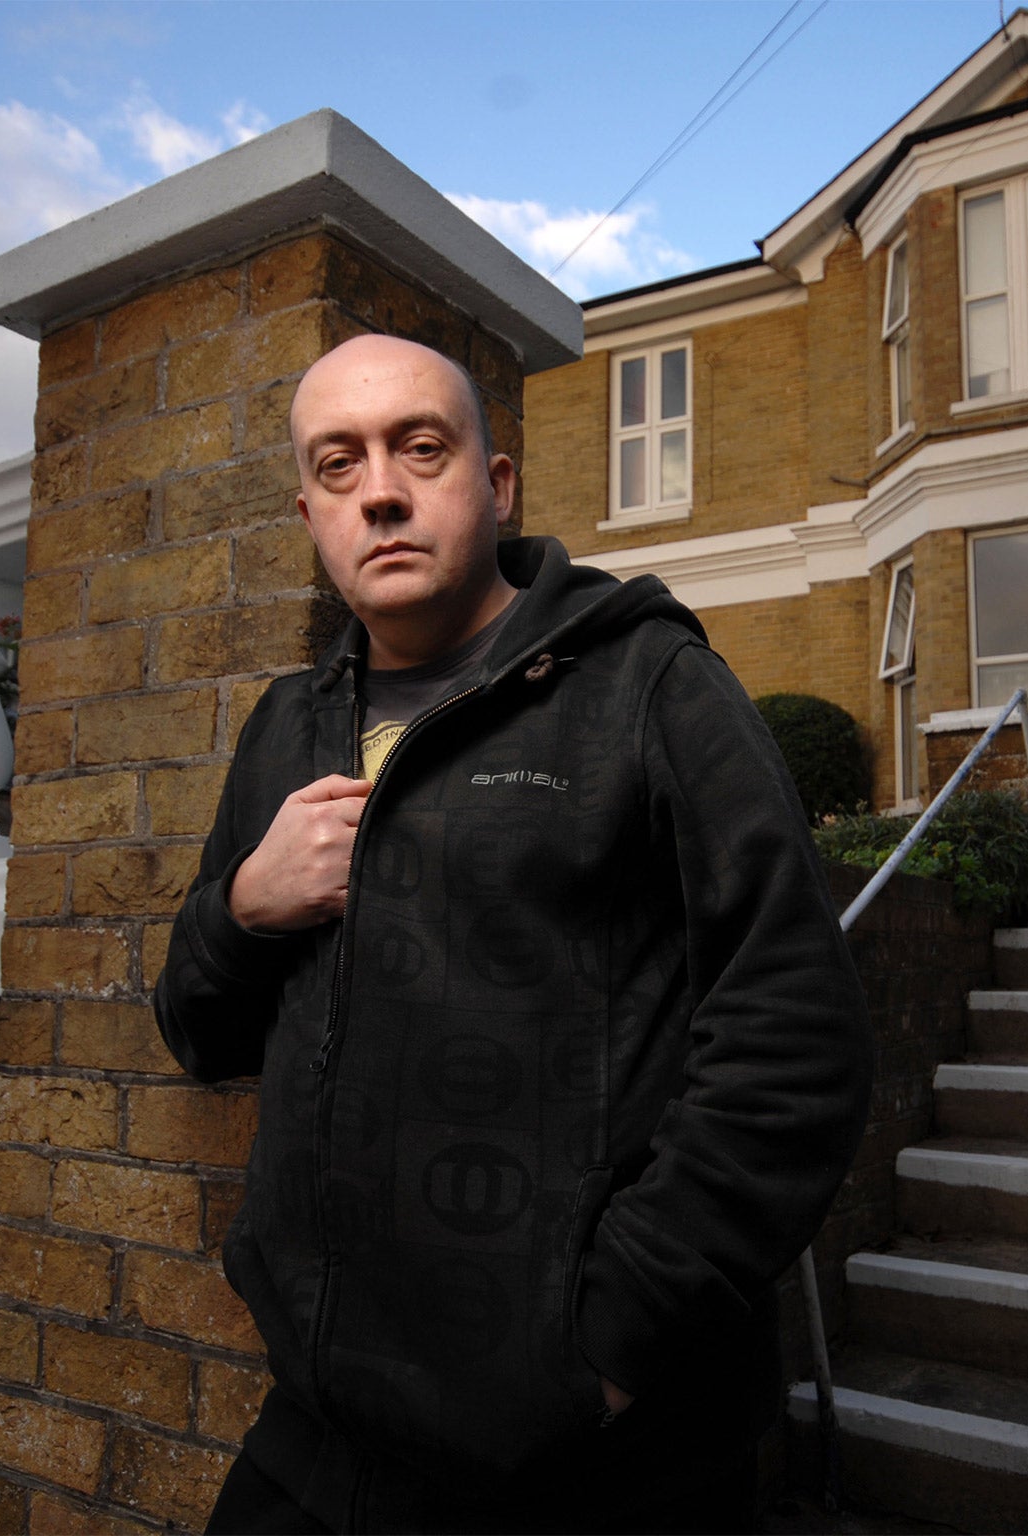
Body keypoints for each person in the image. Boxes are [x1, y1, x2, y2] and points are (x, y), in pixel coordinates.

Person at [154, 333, 871, 1534]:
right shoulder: (288, 728)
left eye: (417, 448)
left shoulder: (646, 684)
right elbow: (198, 1029)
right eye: (338, 465)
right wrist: (243, 906)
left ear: (495, 484)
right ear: (309, 511)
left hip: (589, 1457)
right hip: (324, 1425)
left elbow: (794, 1039)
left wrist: (606, 1347)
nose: (378, 487)